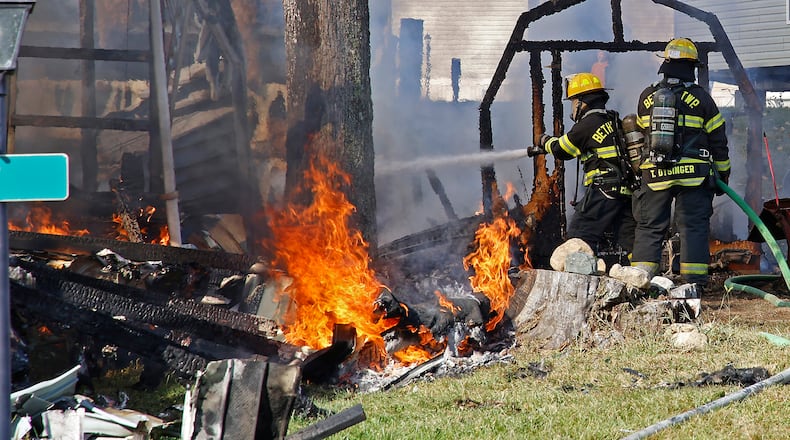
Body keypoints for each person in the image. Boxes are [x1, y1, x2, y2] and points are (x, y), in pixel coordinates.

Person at [630, 38, 730, 294]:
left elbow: (641, 134)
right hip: (694, 177)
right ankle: (693, 285)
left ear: (666, 63)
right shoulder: (702, 98)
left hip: (656, 173)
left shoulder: (647, 96)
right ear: (691, 67)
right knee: (693, 226)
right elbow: (718, 140)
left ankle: (641, 282)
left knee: (649, 226)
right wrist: (723, 175)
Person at [532, 72, 637, 264]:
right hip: (625, 192)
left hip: (603, 191)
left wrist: (544, 140)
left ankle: (578, 284)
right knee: (629, 241)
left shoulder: (588, 124)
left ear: (582, 101)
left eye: (573, 102)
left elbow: (562, 149)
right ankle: (642, 276)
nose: (572, 107)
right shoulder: (613, 119)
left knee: (579, 237)